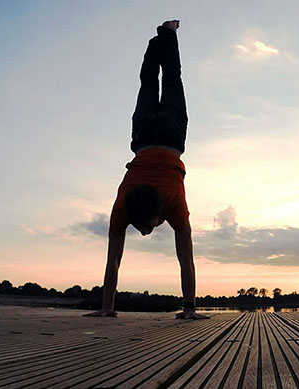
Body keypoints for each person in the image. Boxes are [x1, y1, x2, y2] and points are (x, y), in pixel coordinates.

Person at [87, 20, 208, 320]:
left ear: (159, 213)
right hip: (146, 136)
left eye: (147, 227)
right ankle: (160, 39)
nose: (144, 232)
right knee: (153, 82)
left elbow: (115, 260)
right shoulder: (124, 204)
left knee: (166, 80)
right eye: (147, 228)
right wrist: (107, 309)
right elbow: (185, 258)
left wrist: (107, 308)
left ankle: (165, 37)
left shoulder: (170, 202)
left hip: (167, 135)